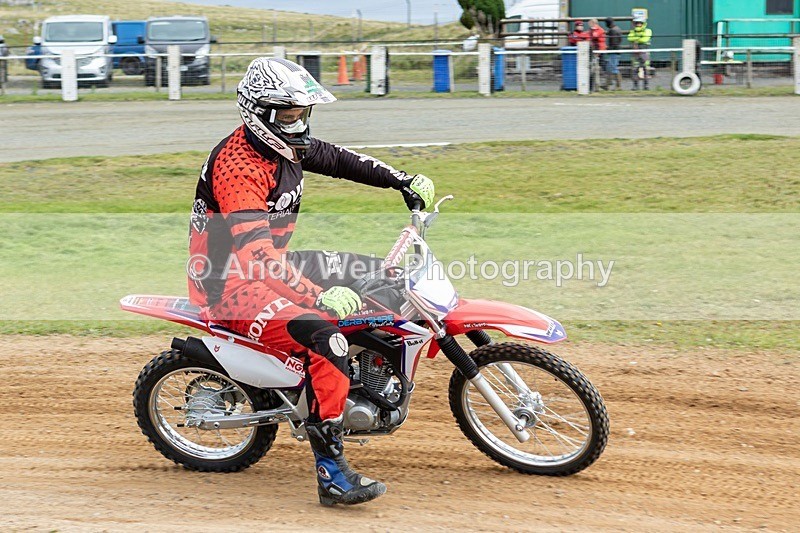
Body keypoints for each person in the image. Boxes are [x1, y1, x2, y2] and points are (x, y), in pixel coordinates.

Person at [187, 57, 435, 506]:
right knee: (327, 339)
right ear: (259, 113)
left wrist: (401, 180)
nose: (298, 123)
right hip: (232, 286)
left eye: (302, 113)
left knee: (383, 278)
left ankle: (363, 380)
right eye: (288, 114)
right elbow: (255, 255)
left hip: (272, 264)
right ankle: (332, 475)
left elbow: (338, 159)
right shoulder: (239, 167)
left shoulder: (287, 146)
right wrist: (318, 296)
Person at [627, 16, 653, 90]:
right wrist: (639, 38)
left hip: (645, 52)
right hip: (635, 53)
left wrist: (636, 40)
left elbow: (645, 39)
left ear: (643, 23)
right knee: (635, 69)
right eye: (637, 23)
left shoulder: (648, 30)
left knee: (646, 69)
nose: (638, 24)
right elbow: (629, 38)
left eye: (640, 23)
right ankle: (635, 86)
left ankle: (646, 86)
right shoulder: (633, 31)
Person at [602, 17, 623, 90]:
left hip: (613, 52)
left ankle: (618, 86)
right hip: (616, 51)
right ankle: (607, 85)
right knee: (610, 68)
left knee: (613, 68)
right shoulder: (618, 29)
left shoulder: (612, 31)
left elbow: (613, 43)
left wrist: (608, 49)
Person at [587, 19, 606, 91]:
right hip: (594, 52)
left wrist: (598, 53)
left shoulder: (599, 31)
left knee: (597, 69)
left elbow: (601, 43)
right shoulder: (591, 30)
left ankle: (598, 86)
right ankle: (594, 87)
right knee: (594, 69)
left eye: (590, 23)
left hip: (598, 53)